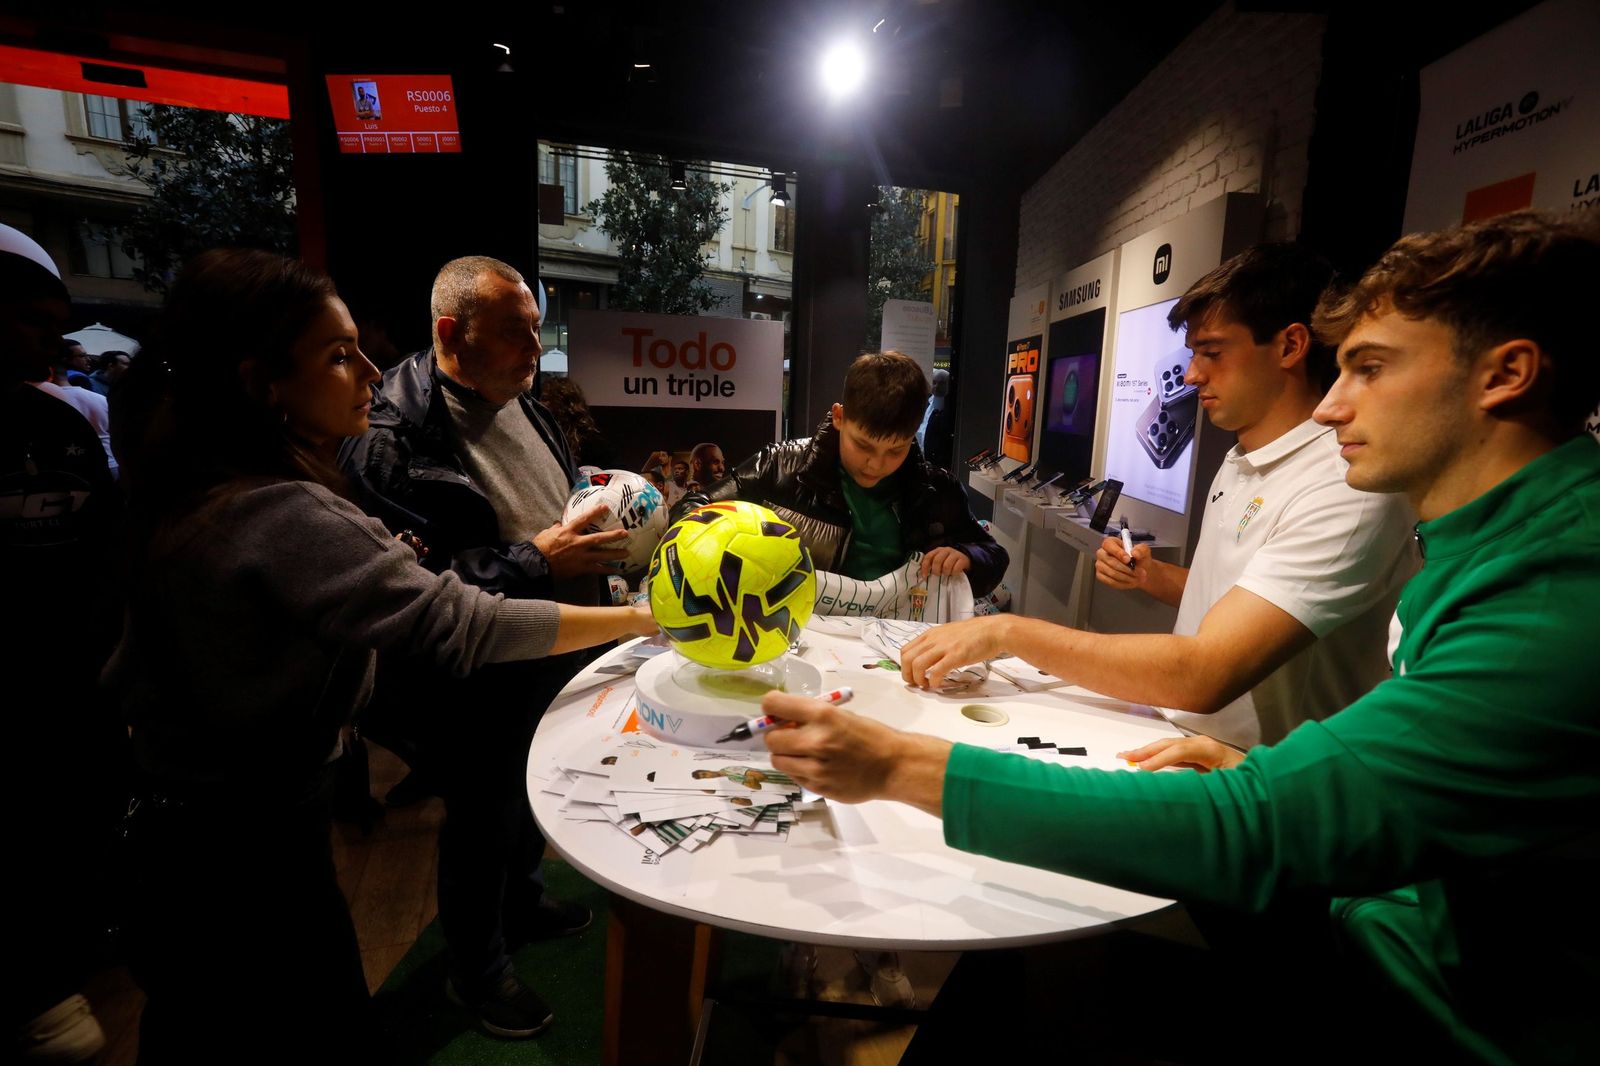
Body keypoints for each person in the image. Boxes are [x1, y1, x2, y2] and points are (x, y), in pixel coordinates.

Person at [761, 210, 1600, 1063]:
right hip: (1375, 925)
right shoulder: (1498, 550)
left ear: (1507, 375)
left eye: (1371, 369)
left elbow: (1256, 814)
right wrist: (1258, 768)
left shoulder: (1551, 605)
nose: (1334, 402)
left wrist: (900, 766)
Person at [109, 249, 655, 1061]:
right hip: (237, 838)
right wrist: (631, 612)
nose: (367, 366)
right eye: (338, 354)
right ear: (263, 383)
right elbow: (447, 612)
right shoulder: (305, 490)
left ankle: (519, 907)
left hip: (227, 821)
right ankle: (479, 969)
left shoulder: (214, 483)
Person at [899, 244, 1416, 748]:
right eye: (1193, 354)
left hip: (1259, 787)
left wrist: (1008, 632)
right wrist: (1153, 576)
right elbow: (1251, 590)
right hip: (1190, 747)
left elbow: (1206, 673)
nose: (1191, 375)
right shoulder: (1243, 457)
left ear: (1289, 346)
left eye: (1212, 352)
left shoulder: (1344, 486)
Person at [341, 255, 629, 1039]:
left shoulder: (519, 398)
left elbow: (544, 502)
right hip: (471, 669)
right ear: (450, 332)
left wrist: (591, 505)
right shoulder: (387, 438)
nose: (534, 349)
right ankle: (479, 971)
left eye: (536, 330)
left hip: (549, 641)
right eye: (514, 333)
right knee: (480, 814)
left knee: (531, 792)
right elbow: (415, 586)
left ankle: (524, 899)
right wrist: (541, 558)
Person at [3, 225, 122, 1064]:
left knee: (67, 820)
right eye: (31, 321)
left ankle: (71, 951)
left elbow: (107, 543)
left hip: (73, 670)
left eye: (56, 322)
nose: (52, 341)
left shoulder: (64, 423)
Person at [675, 350, 1007, 598]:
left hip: (894, 645)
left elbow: (993, 555)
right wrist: (734, 548)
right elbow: (691, 509)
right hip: (797, 634)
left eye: (895, 450)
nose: (876, 464)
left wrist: (967, 557)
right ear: (839, 417)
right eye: (863, 445)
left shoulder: (936, 488)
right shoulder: (780, 465)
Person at [540, 374, 620, 469]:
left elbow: (618, 474)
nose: (540, 403)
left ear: (563, 403)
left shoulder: (593, 444)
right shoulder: (540, 436)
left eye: (545, 399)